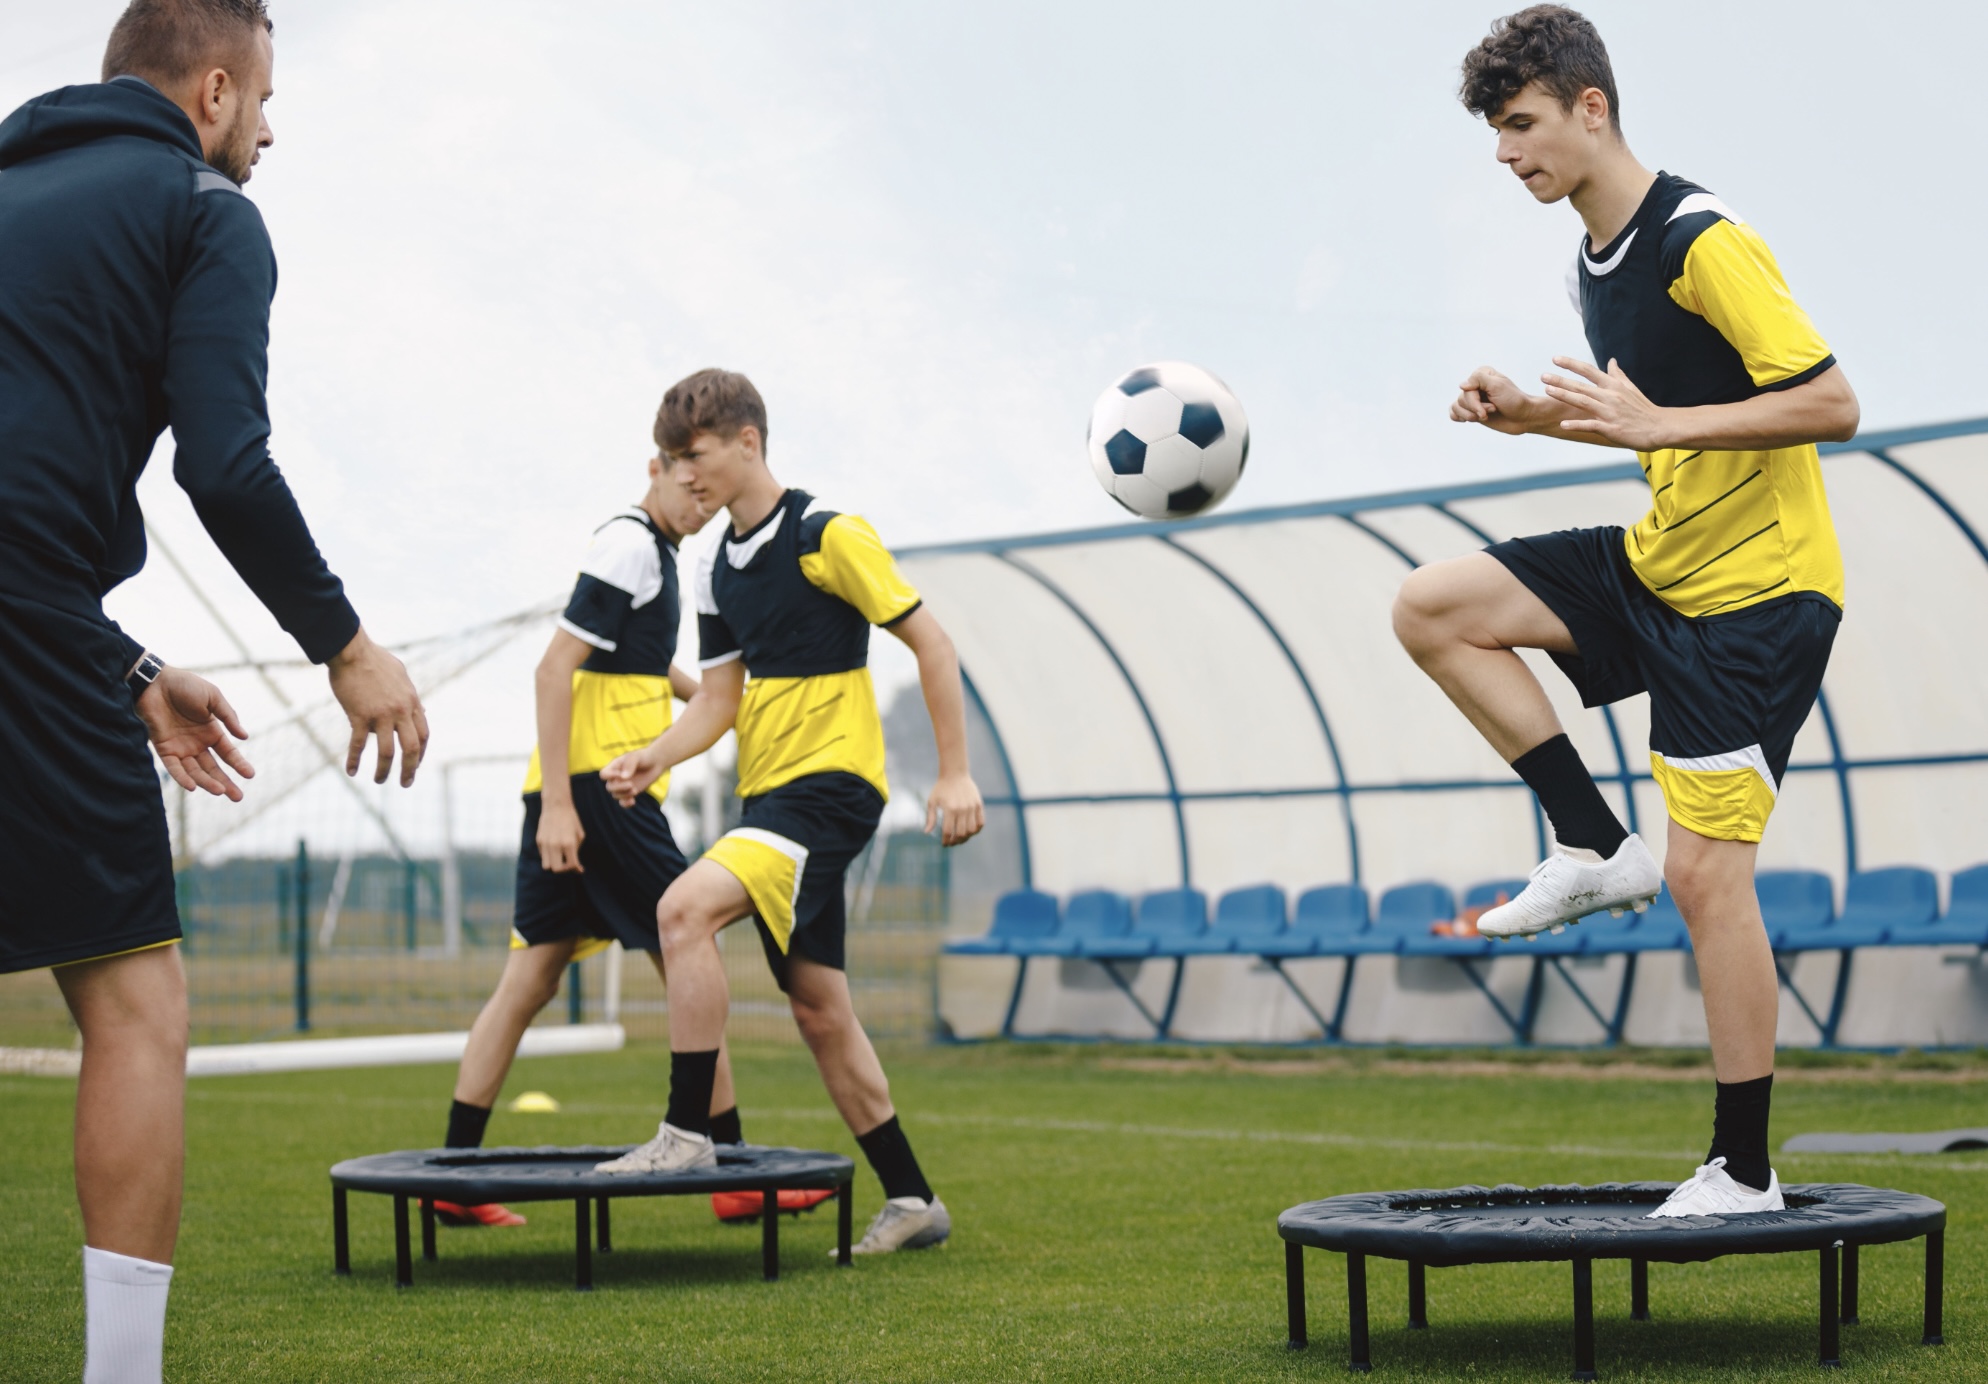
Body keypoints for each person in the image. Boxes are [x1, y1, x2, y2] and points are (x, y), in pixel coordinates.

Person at [0, 2, 428, 1379]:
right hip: (23, 596)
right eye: (264, 102)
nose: (270, 131)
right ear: (218, 89)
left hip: (43, 612)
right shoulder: (205, 210)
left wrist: (120, 667)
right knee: (134, 1002)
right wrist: (345, 644)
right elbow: (224, 466)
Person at [1393, 5, 1858, 1217]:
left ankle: (1744, 1170)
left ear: (1587, 107)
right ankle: (1592, 845)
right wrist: (1531, 412)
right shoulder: (1586, 263)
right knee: (1433, 607)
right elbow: (1645, 408)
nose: (1504, 154)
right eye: (1497, 133)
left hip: (1756, 595)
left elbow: (1827, 402)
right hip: (1660, 562)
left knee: (1710, 883)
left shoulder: (1701, 238)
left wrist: (1654, 427)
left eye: (1520, 125)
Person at [593, 369, 985, 1256]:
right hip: (768, 795)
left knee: (681, 910)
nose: (683, 475)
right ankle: (914, 1199)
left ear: (747, 442)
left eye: (694, 457)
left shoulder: (827, 534)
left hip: (831, 789)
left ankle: (687, 1133)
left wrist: (955, 773)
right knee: (818, 1008)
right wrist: (657, 753)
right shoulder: (709, 567)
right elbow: (719, 699)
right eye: (673, 461)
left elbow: (931, 641)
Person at [431, 451, 829, 1227]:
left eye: (709, 500)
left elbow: (637, 665)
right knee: (690, 943)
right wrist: (558, 807)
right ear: (658, 465)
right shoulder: (630, 545)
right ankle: (736, 1168)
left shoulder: (656, 556)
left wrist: (719, 700)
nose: (700, 503)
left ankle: (453, 1175)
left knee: (530, 983)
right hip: (601, 796)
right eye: (689, 486)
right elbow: (554, 673)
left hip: (575, 791)